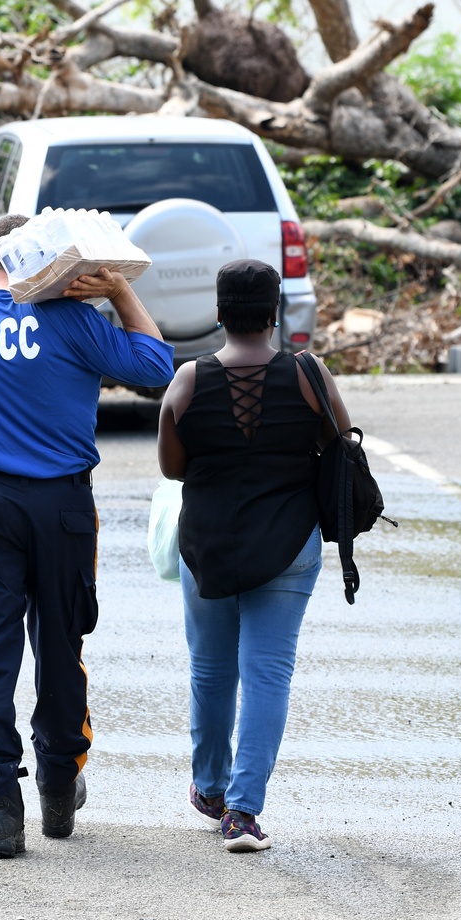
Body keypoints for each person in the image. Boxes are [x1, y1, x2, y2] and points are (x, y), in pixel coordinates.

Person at [0, 213, 174, 859]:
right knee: (60, 643)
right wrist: (118, 293)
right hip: (65, 509)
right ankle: (57, 783)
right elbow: (157, 368)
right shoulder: (75, 320)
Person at [157, 258, 351, 853]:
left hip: (208, 544)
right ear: (275, 312)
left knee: (212, 670)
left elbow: (172, 467)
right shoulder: (308, 373)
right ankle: (243, 813)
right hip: (289, 544)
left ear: (218, 312)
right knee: (268, 672)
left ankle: (210, 788)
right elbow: (342, 443)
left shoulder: (188, 380)